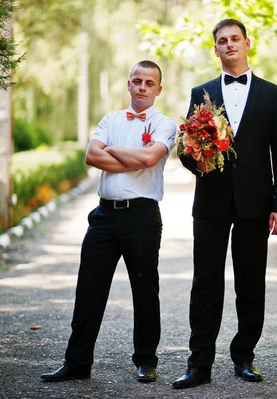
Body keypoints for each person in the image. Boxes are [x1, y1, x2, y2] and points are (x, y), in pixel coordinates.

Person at [172, 19, 277, 389]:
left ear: (247, 43)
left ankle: (244, 358)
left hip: (256, 205)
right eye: (222, 41)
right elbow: (186, 149)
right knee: (205, 283)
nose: (229, 45)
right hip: (210, 202)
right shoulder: (200, 91)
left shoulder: (273, 94)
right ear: (216, 49)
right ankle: (199, 364)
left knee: (251, 284)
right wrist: (199, 158)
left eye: (235, 39)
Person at [40, 60, 176, 384]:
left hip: (141, 217)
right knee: (88, 289)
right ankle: (76, 362)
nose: (142, 87)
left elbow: (149, 158)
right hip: (103, 216)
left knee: (145, 290)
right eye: (137, 81)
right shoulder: (110, 119)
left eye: (149, 83)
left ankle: (146, 360)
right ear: (128, 84)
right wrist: (130, 156)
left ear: (158, 89)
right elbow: (91, 155)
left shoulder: (165, 124)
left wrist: (113, 151)